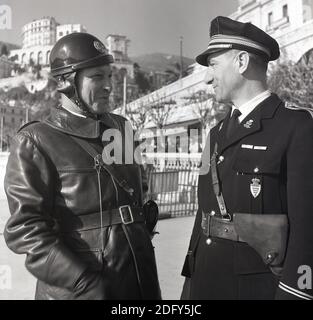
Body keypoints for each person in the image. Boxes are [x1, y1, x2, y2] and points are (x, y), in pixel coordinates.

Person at [3, 32, 161, 300]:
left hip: (138, 276)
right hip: (81, 288)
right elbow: (26, 230)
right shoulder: (35, 141)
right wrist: (82, 282)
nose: (109, 85)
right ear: (66, 82)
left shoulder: (121, 128)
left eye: (110, 75)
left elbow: (138, 190)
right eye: (97, 76)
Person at [181, 16, 313, 300]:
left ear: (241, 62)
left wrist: (295, 293)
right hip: (206, 280)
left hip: (258, 290)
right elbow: (204, 216)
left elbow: (308, 225)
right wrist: (190, 283)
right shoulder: (215, 134)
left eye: (213, 65)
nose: (206, 78)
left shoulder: (297, 127)